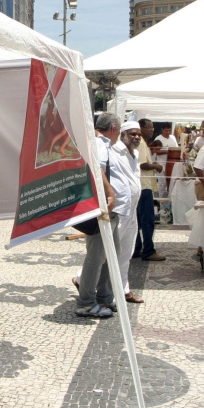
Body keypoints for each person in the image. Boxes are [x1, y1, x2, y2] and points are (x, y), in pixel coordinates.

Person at [74, 113, 125, 318]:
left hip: (109, 210)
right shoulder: (100, 144)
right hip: (103, 209)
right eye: (119, 131)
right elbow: (97, 172)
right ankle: (86, 302)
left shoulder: (103, 144)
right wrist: (108, 197)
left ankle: (104, 297)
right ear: (113, 129)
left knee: (111, 254)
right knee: (96, 257)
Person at [113, 122, 144, 303]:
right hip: (119, 209)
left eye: (138, 134)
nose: (137, 137)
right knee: (109, 250)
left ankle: (124, 290)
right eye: (132, 134)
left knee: (127, 252)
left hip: (132, 210)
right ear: (123, 134)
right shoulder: (114, 151)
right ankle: (82, 278)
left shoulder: (136, 154)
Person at [134, 120, 165, 261]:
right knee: (147, 220)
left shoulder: (143, 143)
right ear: (141, 128)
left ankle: (136, 248)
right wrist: (155, 166)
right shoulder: (140, 143)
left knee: (138, 220)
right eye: (149, 127)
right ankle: (148, 250)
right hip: (143, 185)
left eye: (153, 127)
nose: (152, 130)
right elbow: (141, 164)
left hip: (142, 185)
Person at [153, 124, 177, 198]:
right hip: (161, 164)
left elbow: (176, 149)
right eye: (166, 130)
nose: (168, 132)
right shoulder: (158, 138)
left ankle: (169, 200)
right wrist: (166, 151)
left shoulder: (172, 139)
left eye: (169, 130)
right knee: (162, 184)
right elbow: (155, 151)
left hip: (171, 165)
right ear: (162, 130)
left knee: (171, 184)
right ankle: (162, 201)